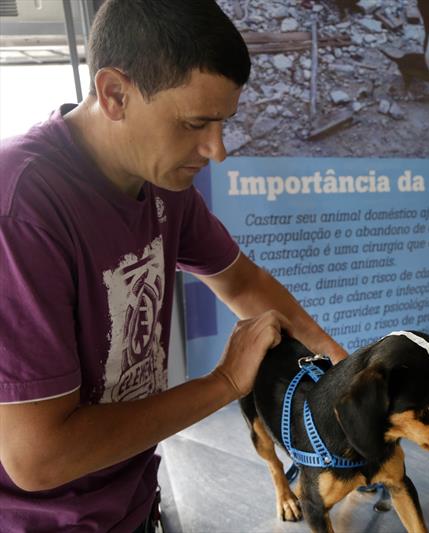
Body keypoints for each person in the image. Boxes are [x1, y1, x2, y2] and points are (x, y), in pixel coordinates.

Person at [0, 1, 346, 531]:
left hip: (132, 499)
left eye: (223, 123)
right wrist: (227, 381)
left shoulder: (161, 179)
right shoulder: (24, 208)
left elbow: (242, 280)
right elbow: (38, 459)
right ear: (115, 93)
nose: (217, 150)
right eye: (194, 124)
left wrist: (342, 375)